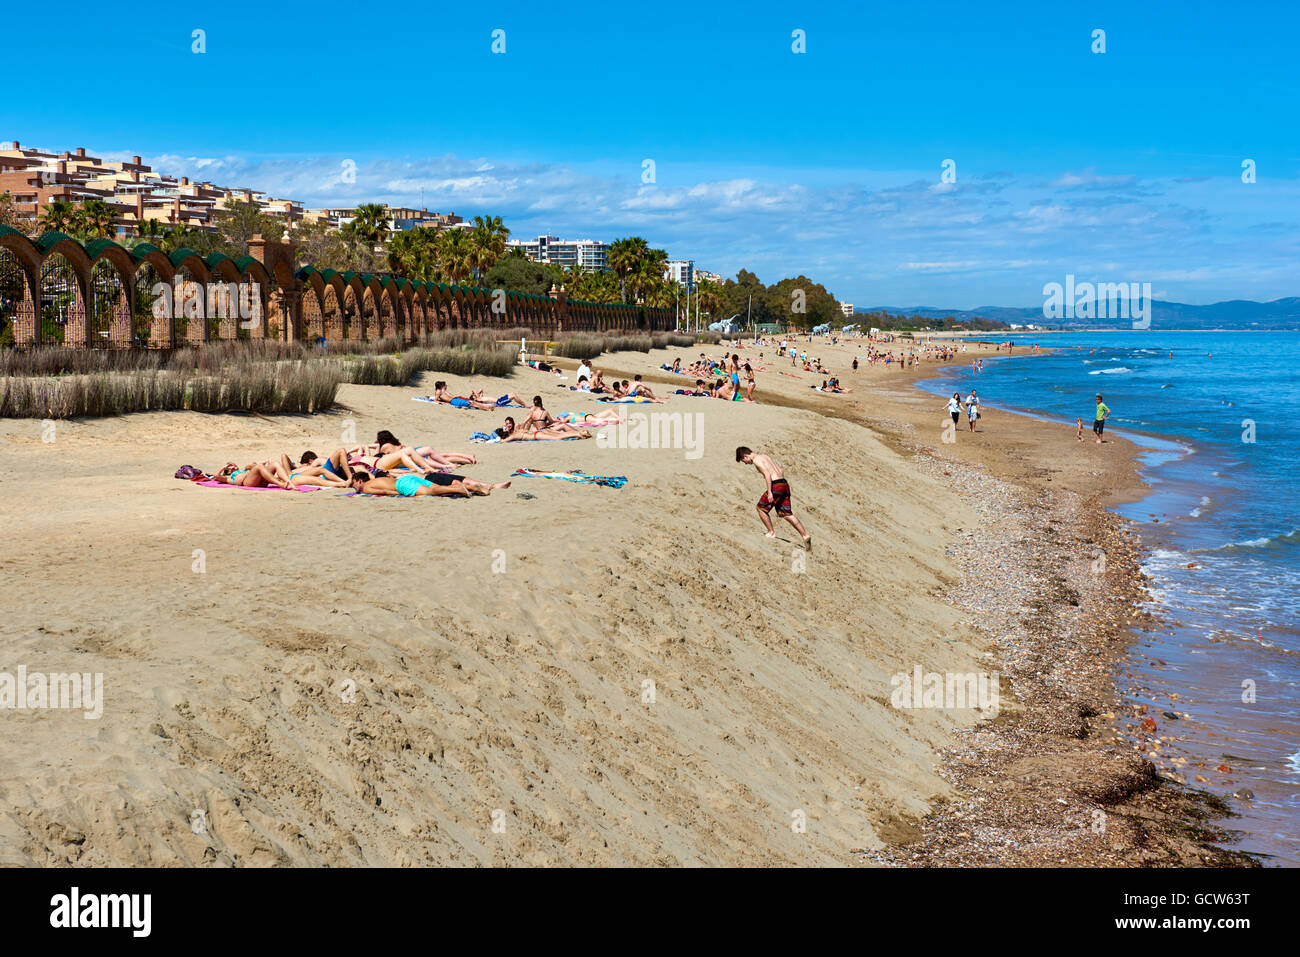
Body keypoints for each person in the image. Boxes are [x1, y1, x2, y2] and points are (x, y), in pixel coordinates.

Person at [736, 447, 811, 550]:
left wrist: (770, 492)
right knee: (787, 514)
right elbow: (780, 470)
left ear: (745, 456)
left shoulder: (757, 460)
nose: (745, 463)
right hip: (784, 483)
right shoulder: (765, 456)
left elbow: (767, 474)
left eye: (744, 461)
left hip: (775, 486)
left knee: (760, 508)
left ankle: (771, 532)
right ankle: (805, 535)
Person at [350, 470, 473, 498]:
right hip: (407, 478)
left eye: (353, 483)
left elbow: (384, 492)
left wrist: (399, 493)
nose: (353, 486)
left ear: (360, 481)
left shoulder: (365, 488)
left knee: (431, 492)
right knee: (437, 487)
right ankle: (475, 488)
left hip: (402, 485)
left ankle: (460, 489)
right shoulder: (374, 481)